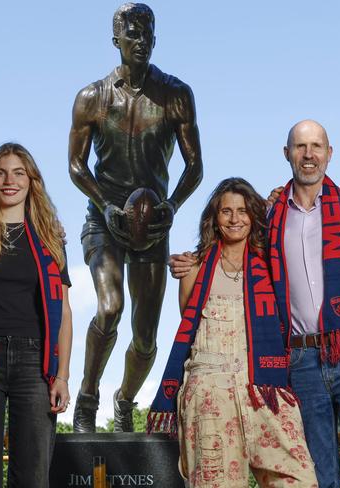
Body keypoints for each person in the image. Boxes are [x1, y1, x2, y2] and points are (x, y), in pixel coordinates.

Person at [171, 121, 340, 487]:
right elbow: (230, 250)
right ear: (287, 154)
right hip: (301, 359)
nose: (309, 154)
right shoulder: (271, 217)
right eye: (300, 146)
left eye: (316, 146)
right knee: (318, 478)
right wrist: (192, 259)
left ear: (329, 153)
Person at [68, 2, 203, 432]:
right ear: (117, 41)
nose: (141, 41)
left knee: (146, 337)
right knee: (110, 308)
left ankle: (125, 400)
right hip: (104, 219)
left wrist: (172, 206)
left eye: (148, 34)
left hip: (152, 227)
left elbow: (195, 165)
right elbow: (75, 165)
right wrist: (105, 205)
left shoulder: (175, 93)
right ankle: (87, 397)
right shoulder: (92, 97)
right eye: (132, 34)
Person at [150, 178, 317, 487]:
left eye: (242, 211)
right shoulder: (195, 268)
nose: (235, 219)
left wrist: (275, 201)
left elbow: (292, 221)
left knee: (300, 479)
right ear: (215, 218)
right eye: (226, 211)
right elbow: (190, 328)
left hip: (264, 390)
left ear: (253, 215)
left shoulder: (272, 264)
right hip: (210, 393)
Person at [0, 143, 73, 487]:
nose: (10, 180)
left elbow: (64, 311)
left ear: (31, 181)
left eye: (19, 173)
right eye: (1, 172)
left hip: (35, 361)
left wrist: (62, 375)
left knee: (34, 473)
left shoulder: (50, 238)